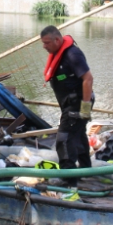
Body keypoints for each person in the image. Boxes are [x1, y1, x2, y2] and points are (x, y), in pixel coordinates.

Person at [40, 25, 94, 171]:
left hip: (77, 104)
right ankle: (86, 171)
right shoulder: (59, 55)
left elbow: (88, 79)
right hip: (69, 104)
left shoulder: (72, 55)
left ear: (57, 40)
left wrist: (85, 109)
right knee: (79, 136)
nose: (44, 46)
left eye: (47, 43)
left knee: (64, 140)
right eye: (43, 43)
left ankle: (70, 183)